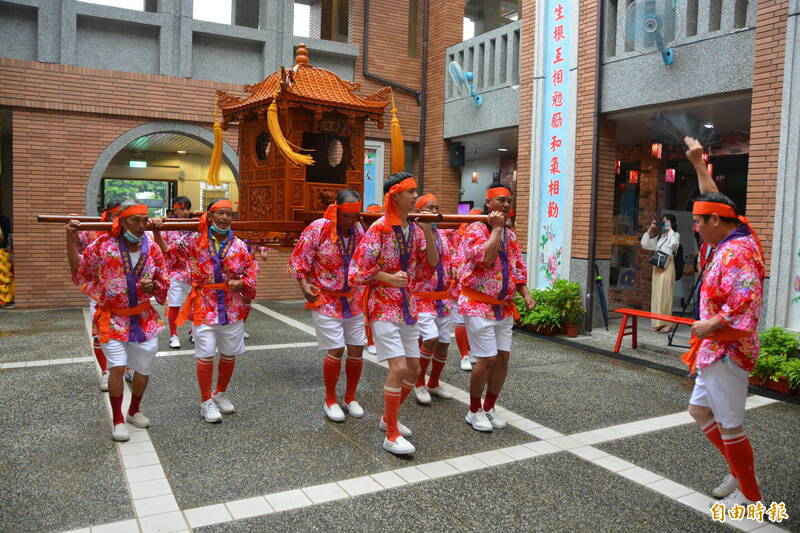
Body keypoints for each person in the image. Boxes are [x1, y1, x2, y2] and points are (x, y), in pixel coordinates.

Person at [683, 136, 765, 508]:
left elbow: (744, 305)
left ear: (715, 221)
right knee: (699, 410)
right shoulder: (733, 233)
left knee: (731, 424)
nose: (695, 227)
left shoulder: (737, 252)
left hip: (728, 349)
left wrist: (708, 325)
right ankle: (737, 470)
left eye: (699, 222)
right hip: (715, 349)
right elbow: (716, 200)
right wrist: (699, 164)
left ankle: (751, 496)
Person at [350, 172, 438, 455]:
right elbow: (356, 272)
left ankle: (388, 417)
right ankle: (390, 434)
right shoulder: (378, 229)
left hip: (408, 306)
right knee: (399, 368)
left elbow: (431, 265)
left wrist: (427, 229)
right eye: (411, 191)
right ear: (395, 196)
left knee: (413, 370)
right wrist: (387, 278)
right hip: (383, 306)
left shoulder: (413, 229)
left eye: (416, 191)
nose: (415, 196)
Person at [66, 201, 169, 441]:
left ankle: (134, 410)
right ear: (121, 221)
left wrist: (153, 285)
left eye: (145, 220)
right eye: (136, 220)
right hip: (111, 318)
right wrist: (69, 239)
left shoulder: (152, 248)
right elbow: (80, 271)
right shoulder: (102, 245)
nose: (142, 225)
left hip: (144, 318)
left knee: (143, 369)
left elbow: (164, 282)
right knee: (118, 367)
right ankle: (118, 419)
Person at [458, 183, 535, 432]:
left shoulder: (511, 234)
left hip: (503, 307)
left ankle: (489, 407)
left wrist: (525, 292)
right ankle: (473, 410)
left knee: (503, 358)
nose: (506, 205)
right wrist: (498, 230)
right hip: (477, 303)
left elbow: (518, 266)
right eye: (501, 200)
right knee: (487, 359)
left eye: (509, 202)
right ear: (488, 203)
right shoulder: (475, 229)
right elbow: (486, 258)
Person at [175, 199, 258, 423]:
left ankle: (219, 393)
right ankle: (205, 401)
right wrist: (158, 233)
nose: (225, 218)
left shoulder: (240, 245)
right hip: (204, 304)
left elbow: (250, 272)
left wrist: (242, 284)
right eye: (220, 213)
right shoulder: (194, 240)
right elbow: (171, 255)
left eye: (229, 214)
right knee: (205, 353)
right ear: (210, 217)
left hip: (231, 308)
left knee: (229, 353)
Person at [289, 190, 366, 422]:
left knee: (356, 349)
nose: (352, 220)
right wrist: (304, 288)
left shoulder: (359, 230)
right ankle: (330, 399)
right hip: (326, 298)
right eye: (347, 215)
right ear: (337, 209)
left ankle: (350, 397)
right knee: (336, 349)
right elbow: (299, 261)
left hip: (352, 298)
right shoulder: (317, 229)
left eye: (356, 215)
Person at [76, 198, 124, 391]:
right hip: (100, 294)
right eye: (116, 213)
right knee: (100, 335)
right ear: (108, 213)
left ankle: (124, 368)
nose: (119, 218)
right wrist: (72, 229)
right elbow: (78, 249)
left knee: (126, 336)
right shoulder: (93, 231)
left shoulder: (135, 232)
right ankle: (105, 372)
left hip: (128, 295)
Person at [411, 193, 454, 404]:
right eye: (430, 207)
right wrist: (426, 229)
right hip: (421, 297)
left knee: (444, 343)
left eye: (437, 207)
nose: (435, 211)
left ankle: (434, 382)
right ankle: (418, 382)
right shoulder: (414, 234)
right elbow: (429, 262)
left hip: (443, 298)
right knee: (429, 339)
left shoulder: (444, 235)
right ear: (419, 212)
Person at [152, 196, 193, 349]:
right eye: (182, 209)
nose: (186, 212)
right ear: (175, 209)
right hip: (175, 272)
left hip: (193, 272)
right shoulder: (167, 224)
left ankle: (194, 331)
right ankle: (173, 335)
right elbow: (160, 245)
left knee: (196, 303)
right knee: (175, 304)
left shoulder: (195, 223)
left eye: (188, 208)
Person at [451, 208, 482, 371]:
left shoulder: (484, 234)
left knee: (472, 321)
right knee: (461, 320)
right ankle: (464, 354)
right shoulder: (456, 233)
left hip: (477, 286)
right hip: (459, 283)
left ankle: (471, 352)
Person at [640, 213, 680, 331]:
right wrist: (651, 228)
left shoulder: (675, 235)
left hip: (667, 265)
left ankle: (667, 324)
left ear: (671, 223)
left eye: (666, 221)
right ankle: (657, 323)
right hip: (657, 266)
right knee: (657, 294)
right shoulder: (660, 237)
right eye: (662, 222)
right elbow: (644, 244)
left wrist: (670, 229)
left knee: (665, 294)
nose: (664, 224)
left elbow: (673, 245)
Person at [362, 203, 383, 356]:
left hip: (381, 281)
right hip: (362, 281)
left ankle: (376, 340)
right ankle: (370, 341)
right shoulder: (358, 233)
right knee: (365, 312)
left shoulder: (383, 230)